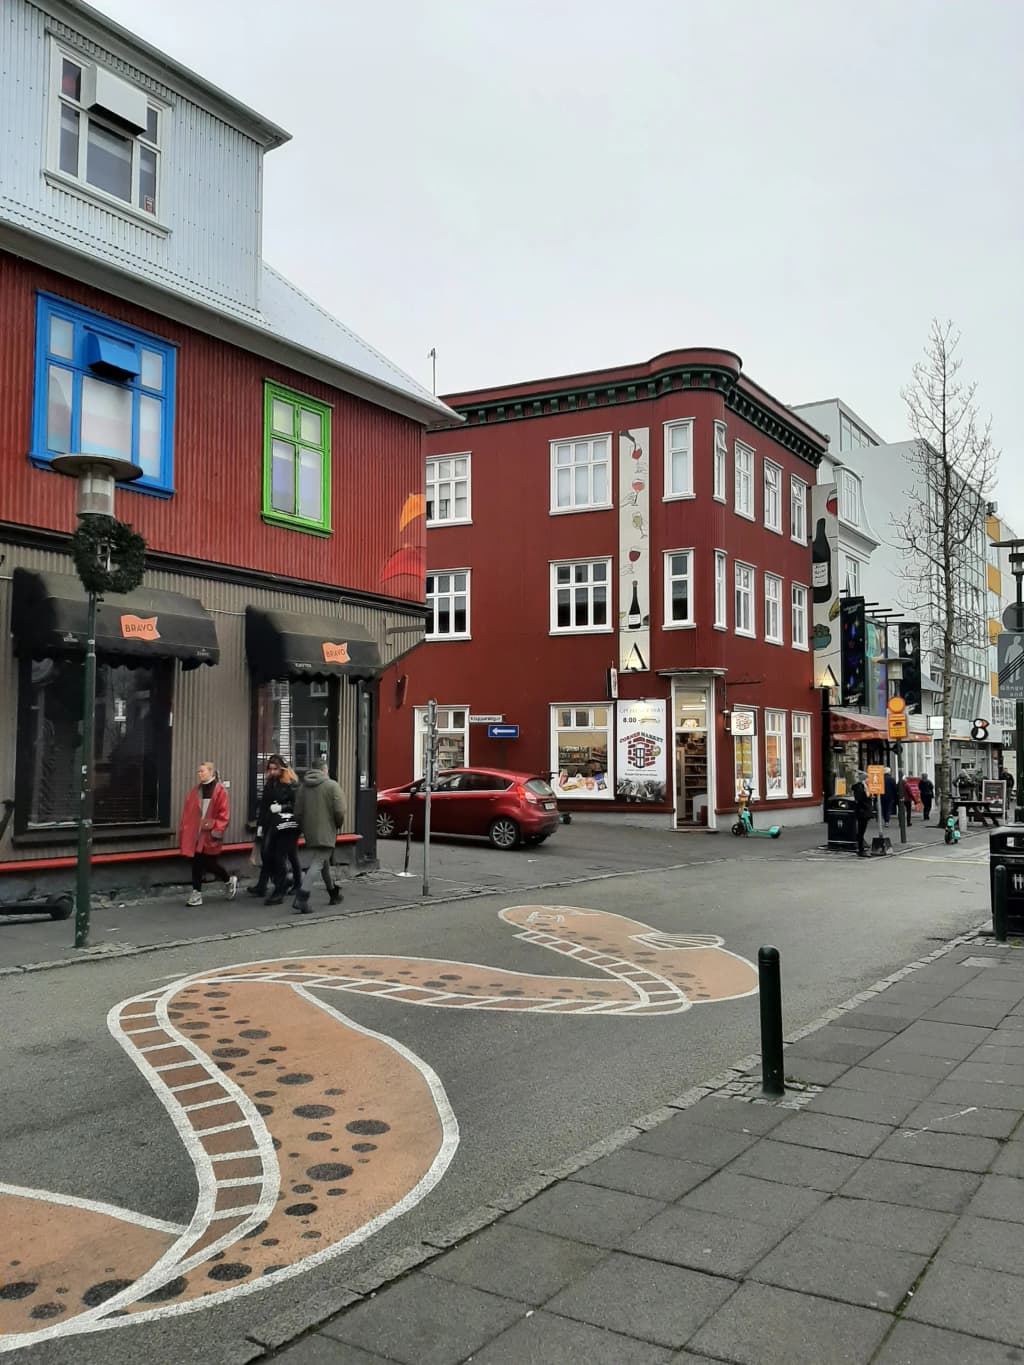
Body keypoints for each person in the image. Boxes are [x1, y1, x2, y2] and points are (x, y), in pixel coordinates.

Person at [180, 761, 237, 907]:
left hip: (210, 833)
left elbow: (224, 814)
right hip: (197, 834)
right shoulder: (196, 791)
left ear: (211, 772)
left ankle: (228, 880)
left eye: (202, 771)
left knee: (211, 863)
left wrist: (217, 831)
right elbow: (188, 812)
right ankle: (196, 892)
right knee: (197, 862)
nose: (199, 774)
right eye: (198, 771)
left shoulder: (219, 790)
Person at [293, 758, 346, 913]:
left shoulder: (303, 787)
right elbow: (340, 811)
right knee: (318, 862)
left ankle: (332, 893)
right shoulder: (332, 785)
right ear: (324, 770)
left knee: (323, 861)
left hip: (310, 831)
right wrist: (337, 824)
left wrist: (304, 826)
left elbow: (298, 812)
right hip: (327, 829)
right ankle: (302, 896)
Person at [264, 760, 302, 906]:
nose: (272, 771)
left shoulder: (291, 784)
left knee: (279, 856)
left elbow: (297, 805)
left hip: (289, 826)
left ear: (282, 769)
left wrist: (282, 807)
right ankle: (286, 882)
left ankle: (280, 890)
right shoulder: (273, 782)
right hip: (276, 825)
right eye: (270, 769)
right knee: (271, 855)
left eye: (275, 769)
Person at [852, 770, 873, 857]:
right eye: (868, 778)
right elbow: (860, 800)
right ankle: (860, 849)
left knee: (861, 831)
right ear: (864, 779)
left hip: (865, 812)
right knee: (861, 831)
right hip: (862, 812)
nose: (869, 780)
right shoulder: (859, 788)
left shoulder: (865, 787)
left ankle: (860, 847)